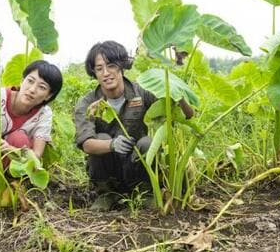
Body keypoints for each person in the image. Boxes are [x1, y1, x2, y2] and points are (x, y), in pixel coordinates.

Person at [73, 40, 193, 210]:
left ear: (121, 66)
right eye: (99, 69)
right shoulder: (88, 102)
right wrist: (112, 144)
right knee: (101, 138)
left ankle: (144, 192)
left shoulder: (142, 92)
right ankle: (107, 194)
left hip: (136, 164)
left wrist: (176, 93)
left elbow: (187, 115)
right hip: (108, 169)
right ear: (94, 73)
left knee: (147, 143)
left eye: (111, 66)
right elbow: (86, 144)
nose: (106, 73)